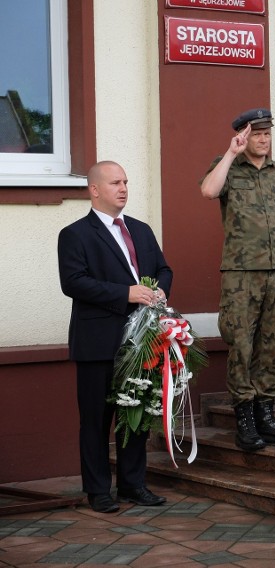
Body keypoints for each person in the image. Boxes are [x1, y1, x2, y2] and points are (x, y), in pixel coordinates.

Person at [58, 161, 172, 513]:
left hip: (141, 343)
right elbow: (73, 282)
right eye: (114, 183)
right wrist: (127, 294)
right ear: (94, 190)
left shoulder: (140, 229)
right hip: (97, 343)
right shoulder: (75, 234)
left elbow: (164, 269)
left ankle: (132, 485)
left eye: (126, 181)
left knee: (134, 415)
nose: (123, 188)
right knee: (96, 421)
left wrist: (158, 293)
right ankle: (98, 491)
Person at [200, 108, 275, 451]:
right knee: (242, 346)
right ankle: (244, 420)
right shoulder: (228, 166)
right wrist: (231, 152)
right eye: (256, 134)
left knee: (270, 346)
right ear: (244, 136)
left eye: (267, 134)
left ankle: (265, 415)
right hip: (241, 274)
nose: (263, 139)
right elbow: (208, 192)